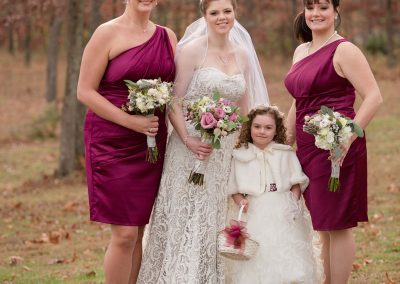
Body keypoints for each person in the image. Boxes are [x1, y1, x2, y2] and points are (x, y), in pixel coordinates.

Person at [137, 0, 269, 282]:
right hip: (189, 149)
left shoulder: (243, 53)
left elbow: (245, 108)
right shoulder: (191, 51)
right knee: (188, 215)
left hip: (223, 151)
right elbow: (174, 100)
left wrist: (248, 148)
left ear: (235, 13)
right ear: (204, 16)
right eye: (215, 13)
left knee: (213, 216)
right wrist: (188, 139)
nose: (222, 17)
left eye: (227, 11)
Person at [76, 0, 176, 282]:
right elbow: (85, 91)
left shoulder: (167, 36)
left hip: (151, 144)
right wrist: (131, 121)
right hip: (111, 139)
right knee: (124, 233)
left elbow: (173, 90)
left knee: (139, 230)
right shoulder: (106, 33)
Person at [284, 0, 383, 283]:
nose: (316, 14)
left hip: (335, 149)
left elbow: (374, 96)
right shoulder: (301, 50)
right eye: (311, 7)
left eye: (323, 7)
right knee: (323, 224)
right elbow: (298, 101)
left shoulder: (344, 50)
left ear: (336, 12)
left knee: (338, 225)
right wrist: (285, 140)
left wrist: (348, 137)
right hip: (306, 149)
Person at [226, 105, 323, 283]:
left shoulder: (284, 152)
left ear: (276, 130)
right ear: (249, 128)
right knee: (260, 249)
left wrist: (292, 203)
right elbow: (234, 189)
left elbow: (296, 182)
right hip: (255, 209)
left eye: (268, 127)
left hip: (282, 205)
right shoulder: (240, 155)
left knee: (285, 248)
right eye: (257, 126)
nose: (262, 131)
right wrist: (240, 201)